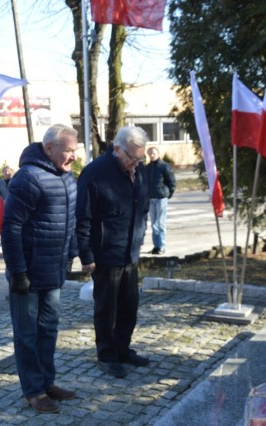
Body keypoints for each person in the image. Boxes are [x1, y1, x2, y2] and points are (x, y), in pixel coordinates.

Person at [0, 124, 79, 414]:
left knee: (48, 330)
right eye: (68, 150)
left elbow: (70, 220)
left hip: (54, 270)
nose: (73, 156)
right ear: (49, 148)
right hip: (28, 275)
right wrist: (18, 272)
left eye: (75, 150)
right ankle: (33, 391)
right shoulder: (27, 178)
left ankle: (47, 382)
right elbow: (10, 228)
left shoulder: (68, 178)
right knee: (27, 335)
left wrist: (72, 255)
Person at [76, 126, 151, 379]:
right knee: (107, 308)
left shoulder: (136, 170)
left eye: (140, 159)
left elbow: (143, 206)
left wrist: (140, 237)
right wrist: (86, 256)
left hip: (130, 251)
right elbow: (83, 217)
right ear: (117, 148)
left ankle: (122, 348)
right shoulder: (95, 173)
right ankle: (106, 355)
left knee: (129, 305)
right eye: (132, 157)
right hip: (105, 253)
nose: (135, 163)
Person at [145, 147, 176, 255]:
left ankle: (162, 246)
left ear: (158, 153)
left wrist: (168, 194)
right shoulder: (147, 168)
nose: (151, 155)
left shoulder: (164, 166)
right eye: (150, 154)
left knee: (161, 223)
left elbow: (171, 181)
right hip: (151, 198)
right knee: (154, 224)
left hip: (161, 198)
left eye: (153, 153)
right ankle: (156, 246)